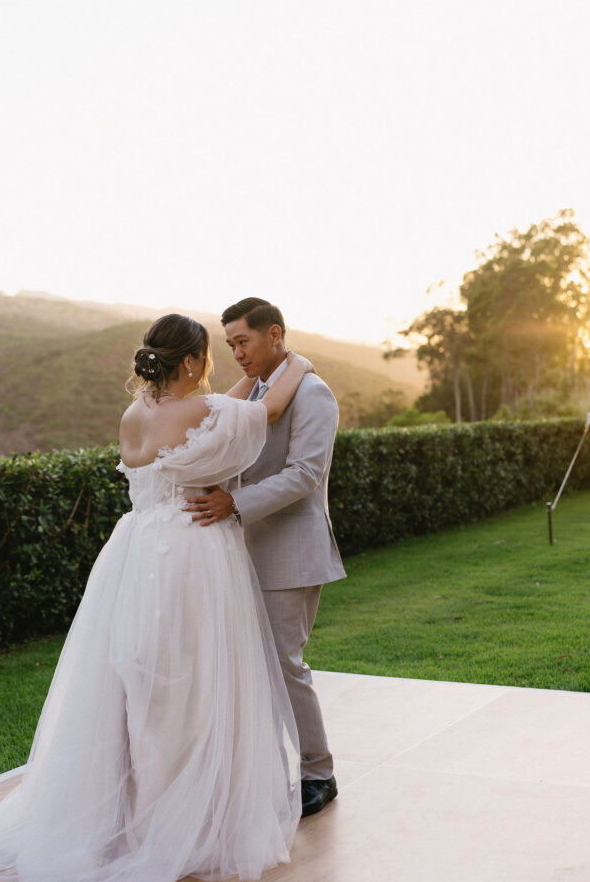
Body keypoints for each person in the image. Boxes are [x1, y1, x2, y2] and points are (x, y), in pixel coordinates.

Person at [0, 313, 315, 882]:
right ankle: (185, 815)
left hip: (136, 550)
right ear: (191, 362)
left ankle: (136, 807)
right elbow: (264, 411)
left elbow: (222, 406)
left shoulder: (136, 413)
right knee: (194, 681)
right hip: (190, 552)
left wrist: (251, 377)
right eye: (209, 357)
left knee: (139, 679)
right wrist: (296, 363)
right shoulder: (200, 411)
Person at [186, 298, 346, 818]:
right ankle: (267, 769)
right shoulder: (256, 392)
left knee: (285, 666)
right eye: (230, 344)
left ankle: (318, 773)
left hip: (290, 553)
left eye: (243, 341)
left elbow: (305, 474)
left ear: (274, 334)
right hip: (242, 551)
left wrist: (235, 503)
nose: (236, 352)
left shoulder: (313, 393)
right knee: (252, 668)